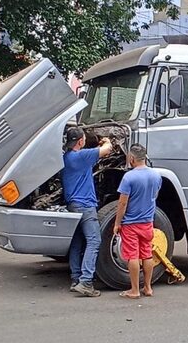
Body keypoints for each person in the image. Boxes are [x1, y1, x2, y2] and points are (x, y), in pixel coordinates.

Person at [62, 127, 112, 297]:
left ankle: (75, 279)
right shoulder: (82, 156)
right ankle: (86, 281)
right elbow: (107, 150)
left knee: (77, 242)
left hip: (72, 205)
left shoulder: (66, 157)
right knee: (94, 241)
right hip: (85, 205)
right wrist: (106, 140)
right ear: (81, 142)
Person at [113, 143, 162, 299]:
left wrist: (117, 223)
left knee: (132, 256)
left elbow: (122, 203)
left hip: (131, 223)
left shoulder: (129, 177)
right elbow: (154, 195)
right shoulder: (156, 176)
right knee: (147, 254)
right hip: (147, 222)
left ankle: (134, 290)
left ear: (131, 158)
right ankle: (147, 287)